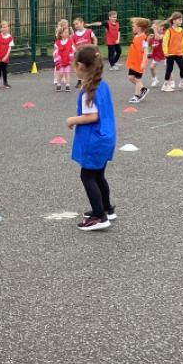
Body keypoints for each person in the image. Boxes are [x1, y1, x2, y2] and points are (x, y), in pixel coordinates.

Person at [66, 45, 116, 232]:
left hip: (94, 140)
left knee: (87, 176)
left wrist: (72, 120)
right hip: (106, 137)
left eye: (74, 65)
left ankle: (98, 216)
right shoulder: (102, 85)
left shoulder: (89, 90)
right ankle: (107, 208)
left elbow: (92, 116)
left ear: (80, 66)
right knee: (98, 174)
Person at [161, 12, 183, 92]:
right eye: (179, 20)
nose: (181, 21)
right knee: (169, 69)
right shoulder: (169, 31)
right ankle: (165, 85)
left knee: (182, 67)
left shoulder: (182, 31)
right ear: (174, 21)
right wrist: (165, 52)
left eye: (182, 20)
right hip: (170, 54)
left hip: (179, 53)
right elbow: (165, 42)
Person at [126, 18, 151, 104]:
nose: (132, 27)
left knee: (137, 79)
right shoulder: (136, 36)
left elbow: (146, 51)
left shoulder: (144, 38)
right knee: (130, 78)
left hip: (140, 62)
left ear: (139, 28)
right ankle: (143, 89)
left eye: (134, 26)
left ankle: (136, 96)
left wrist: (143, 62)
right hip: (134, 62)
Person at [71, 17, 98, 88]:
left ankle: (91, 79)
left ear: (82, 23)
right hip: (80, 54)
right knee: (80, 67)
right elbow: (73, 44)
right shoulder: (74, 35)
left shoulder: (89, 31)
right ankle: (80, 81)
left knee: (90, 66)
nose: (76, 25)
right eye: (74, 24)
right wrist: (75, 50)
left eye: (77, 23)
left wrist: (94, 46)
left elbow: (94, 38)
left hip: (88, 53)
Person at [53, 22, 75, 92]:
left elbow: (73, 49)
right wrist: (56, 58)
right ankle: (58, 84)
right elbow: (55, 51)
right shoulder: (58, 42)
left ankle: (67, 85)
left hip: (68, 61)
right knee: (60, 73)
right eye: (65, 32)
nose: (67, 34)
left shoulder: (70, 41)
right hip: (60, 62)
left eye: (67, 32)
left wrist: (71, 56)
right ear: (61, 34)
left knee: (67, 73)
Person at [0, 21, 13, 88]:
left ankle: (5, 83)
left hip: (5, 57)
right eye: (2, 27)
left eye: (5, 27)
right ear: (0, 28)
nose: (4, 29)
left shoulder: (10, 37)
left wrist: (6, 56)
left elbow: (9, 48)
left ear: (8, 28)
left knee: (4, 70)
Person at [147, 20, 166, 87]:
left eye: (162, 26)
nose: (162, 27)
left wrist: (154, 29)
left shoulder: (165, 33)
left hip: (165, 54)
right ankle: (155, 80)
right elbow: (146, 45)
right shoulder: (153, 36)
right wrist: (148, 39)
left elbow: (158, 38)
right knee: (151, 67)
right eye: (159, 26)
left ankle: (170, 82)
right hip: (157, 55)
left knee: (167, 68)